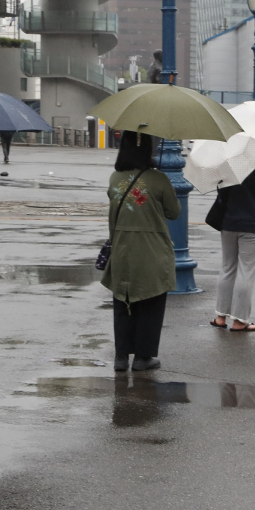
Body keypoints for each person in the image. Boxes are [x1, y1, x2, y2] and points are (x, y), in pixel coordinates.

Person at [102, 131, 180, 372]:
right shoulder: (159, 180)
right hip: (152, 250)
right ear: (148, 150)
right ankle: (143, 357)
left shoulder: (115, 179)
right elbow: (174, 212)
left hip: (123, 250)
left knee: (123, 301)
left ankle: (121, 357)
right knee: (150, 301)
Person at [208, 156, 255, 331]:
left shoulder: (228, 158)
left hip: (229, 222)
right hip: (254, 223)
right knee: (247, 272)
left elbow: (221, 191)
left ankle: (220, 317)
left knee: (227, 268)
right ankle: (240, 320)